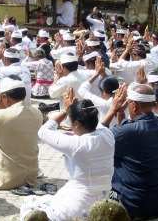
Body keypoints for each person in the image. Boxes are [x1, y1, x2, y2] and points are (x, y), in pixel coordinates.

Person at [20, 91, 114, 221]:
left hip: (76, 207)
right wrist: (74, 110)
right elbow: (97, 124)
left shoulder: (76, 144)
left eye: (70, 121)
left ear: (77, 124)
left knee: (29, 202)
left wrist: (65, 110)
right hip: (102, 204)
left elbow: (43, 131)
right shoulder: (108, 135)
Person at [102, 83, 158, 219]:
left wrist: (112, 110)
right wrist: (121, 112)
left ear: (134, 106)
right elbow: (123, 133)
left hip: (133, 205)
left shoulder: (128, 131)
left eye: (128, 104)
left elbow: (96, 140)